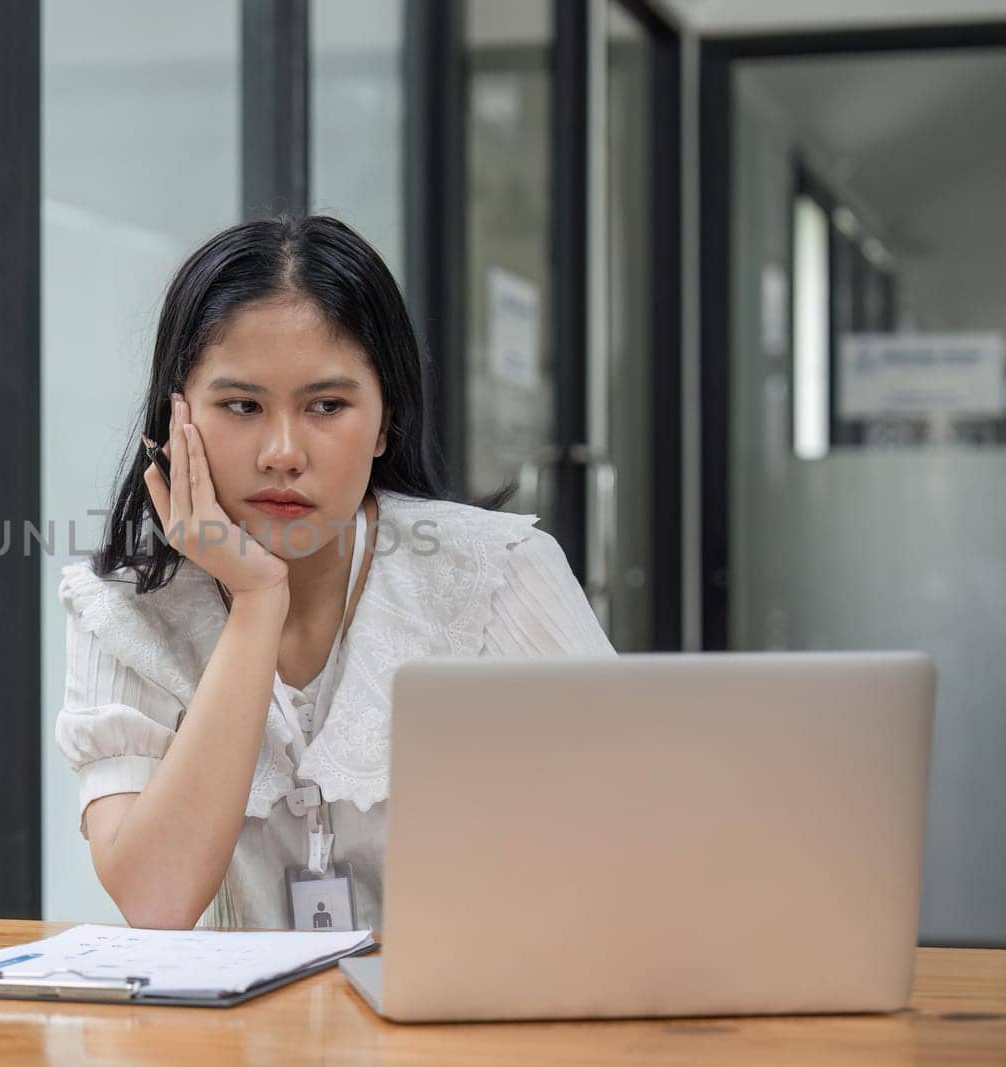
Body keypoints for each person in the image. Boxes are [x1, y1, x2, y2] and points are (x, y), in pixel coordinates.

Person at [55, 215, 613, 932]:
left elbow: (634, 842)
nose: (283, 451)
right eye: (242, 405)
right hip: (245, 1042)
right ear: (177, 417)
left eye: (327, 405)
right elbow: (155, 898)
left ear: (384, 423)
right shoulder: (123, 610)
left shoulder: (499, 575)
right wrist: (258, 599)